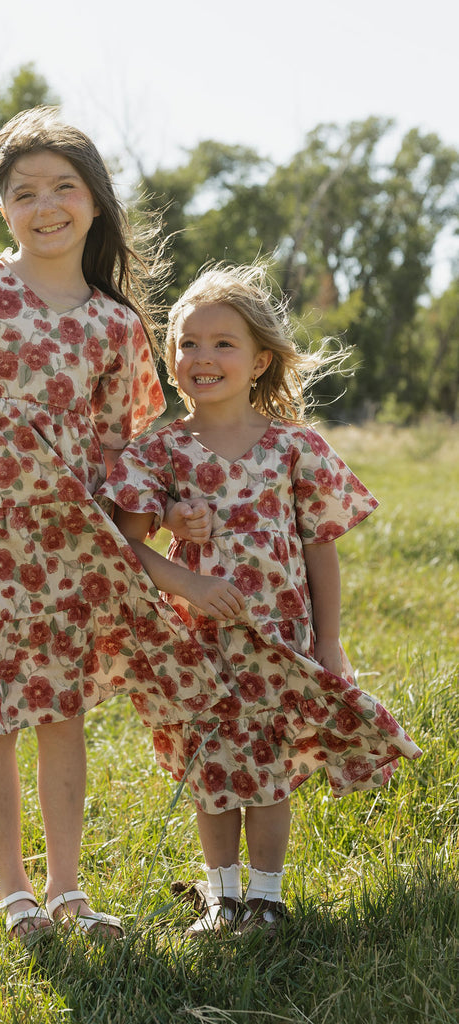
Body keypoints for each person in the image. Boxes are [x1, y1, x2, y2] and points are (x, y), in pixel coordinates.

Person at [0, 107, 231, 947]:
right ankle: (16, 898)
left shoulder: (115, 325)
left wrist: (159, 521)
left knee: (60, 714)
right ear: (2, 206)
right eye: (25, 192)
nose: (45, 207)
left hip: (71, 551)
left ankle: (68, 892)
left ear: (94, 200)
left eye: (63, 188)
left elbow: (121, 455)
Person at [99, 262, 422, 937]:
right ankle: (223, 899)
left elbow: (320, 549)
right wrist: (187, 576)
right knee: (213, 768)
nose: (203, 357)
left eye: (224, 343)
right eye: (188, 343)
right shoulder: (160, 451)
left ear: (260, 361)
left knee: (271, 767)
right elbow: (124, 547)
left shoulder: (294, 447)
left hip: (280, 639)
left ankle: (266, 899)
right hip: (198, 643)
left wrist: (330, 643)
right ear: (171, 358)